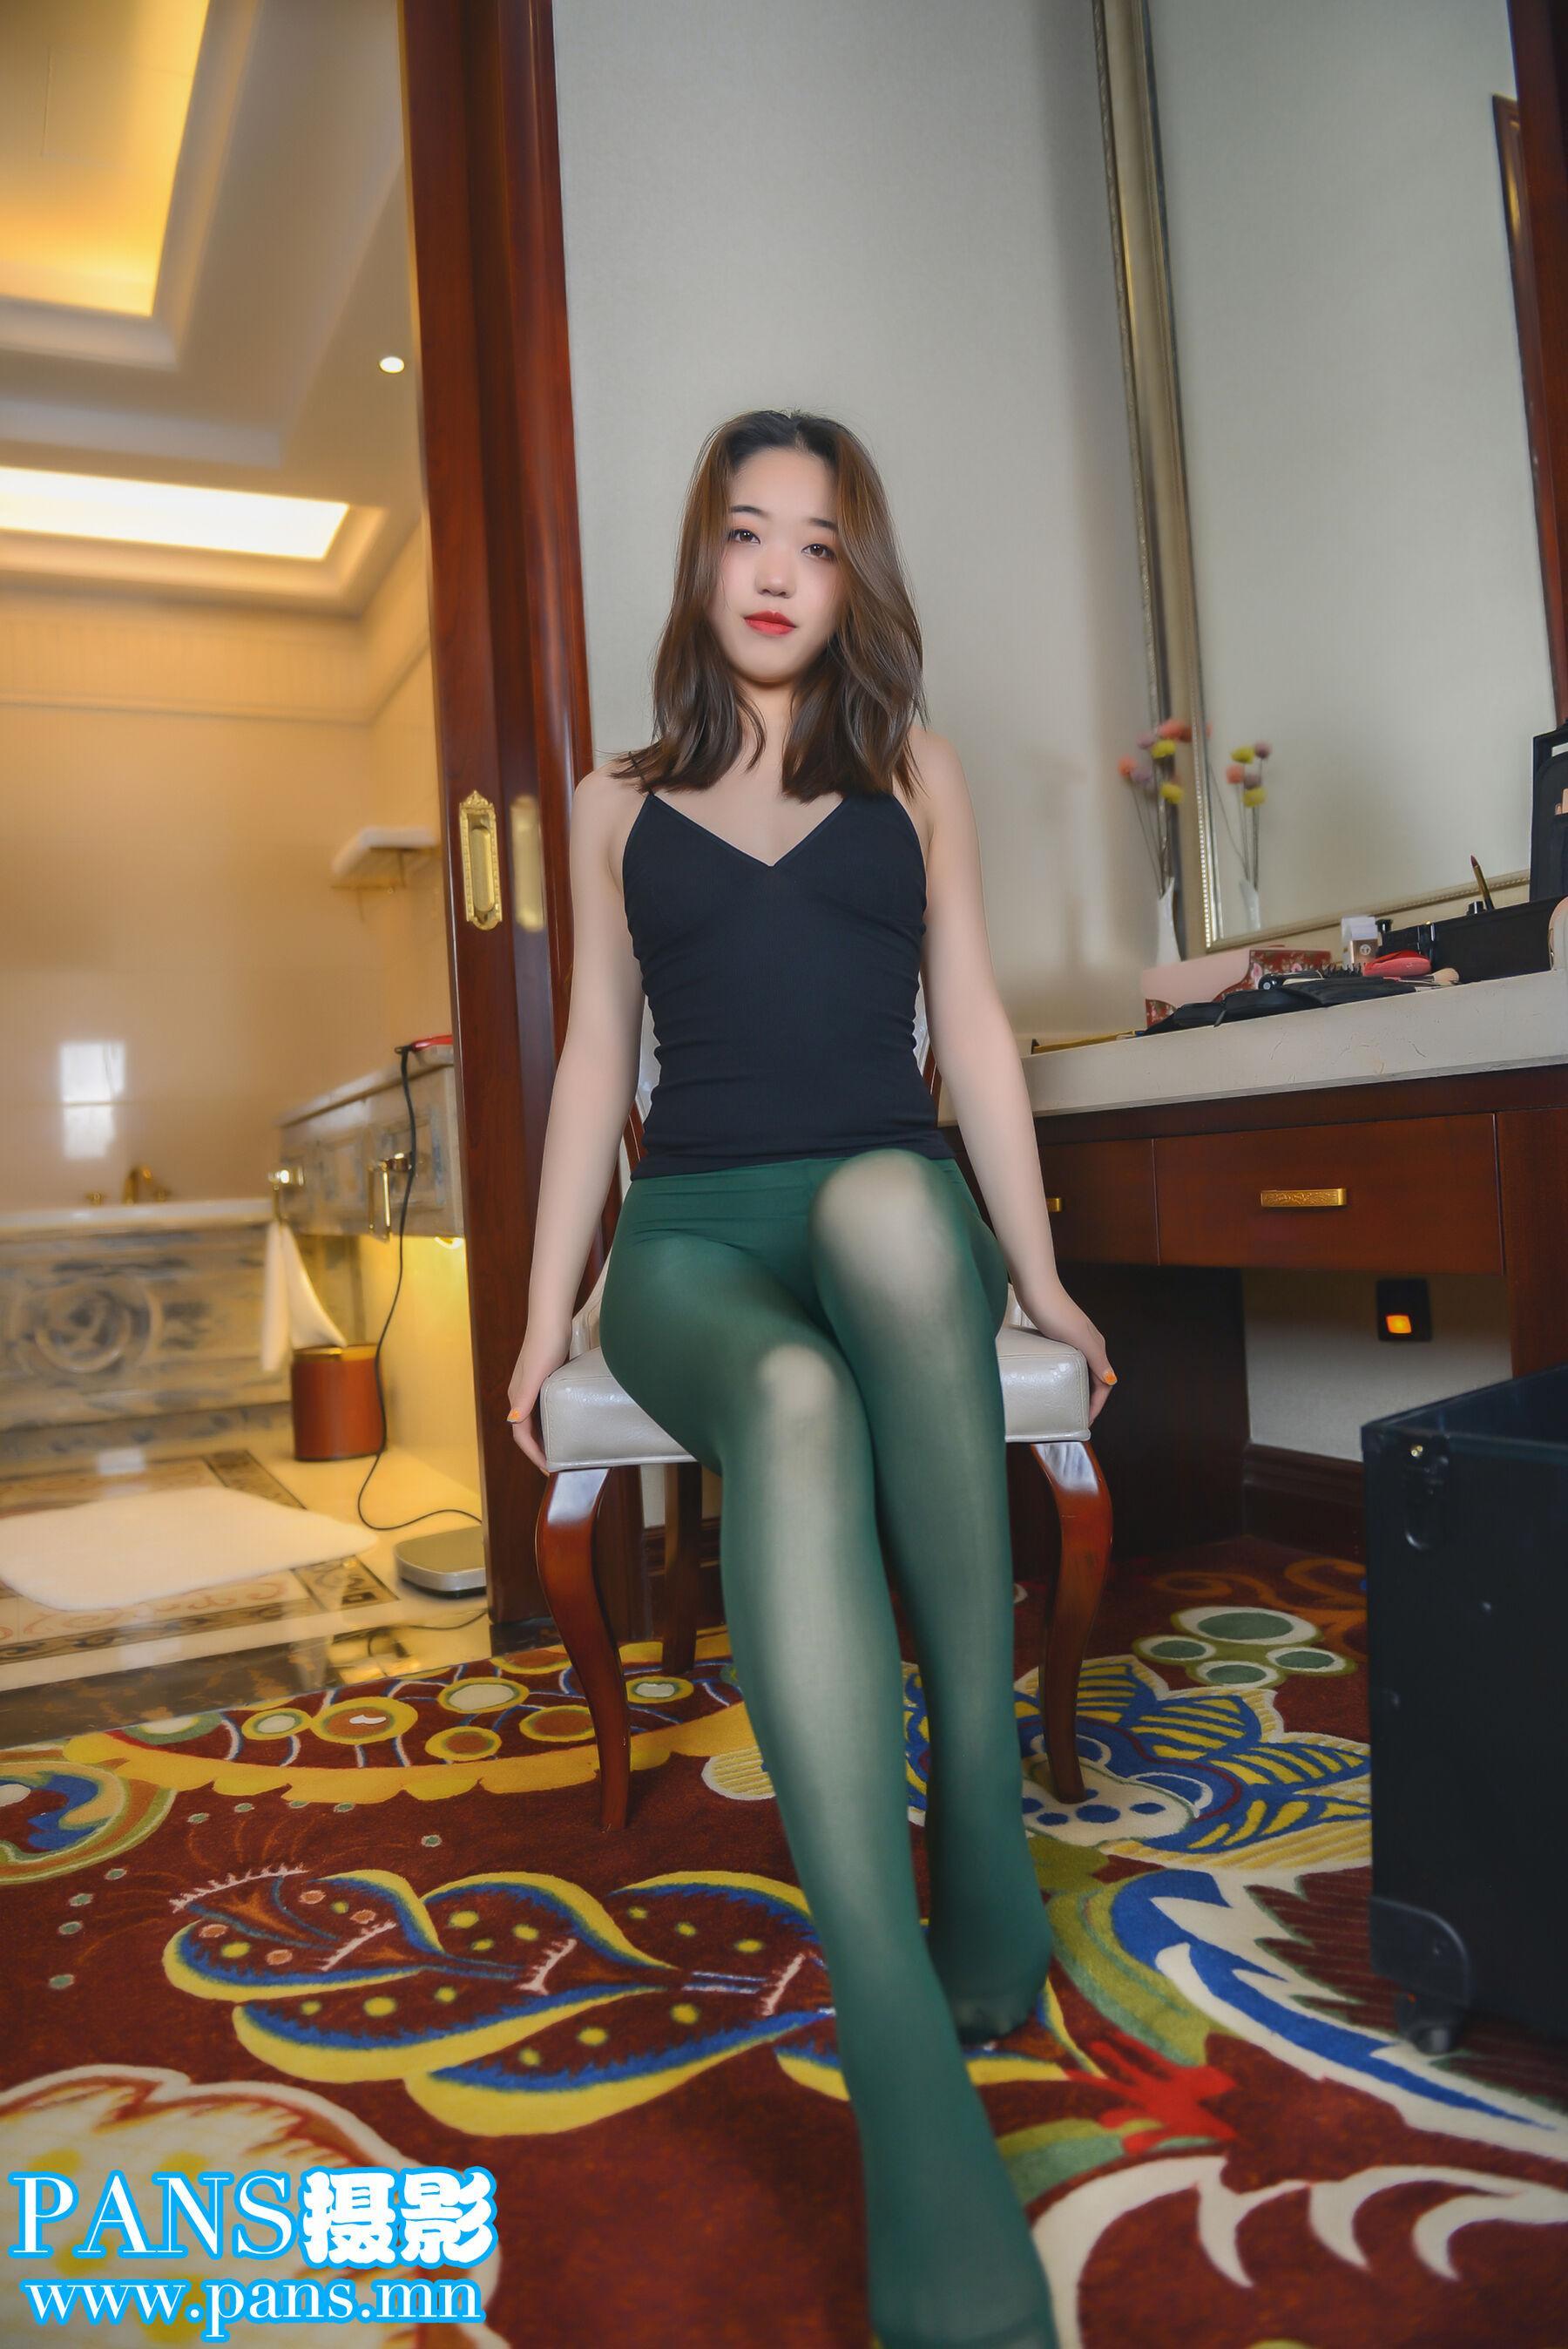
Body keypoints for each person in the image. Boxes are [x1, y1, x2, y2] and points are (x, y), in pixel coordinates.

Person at [507, 409, 1115, 2349]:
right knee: (784, 1399)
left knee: (880, 1200)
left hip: (885, 1204)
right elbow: (594, 1066)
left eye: (819, 542)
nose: (777, 571)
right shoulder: (613, 802)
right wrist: (545, 1312)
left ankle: (982, 1832)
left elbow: (976, 1033)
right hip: (691, 1245)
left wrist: (1045, 1279)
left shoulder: (911, 767)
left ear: (857, 578)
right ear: (703, 561)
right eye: (746, 533)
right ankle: (901, 2039)